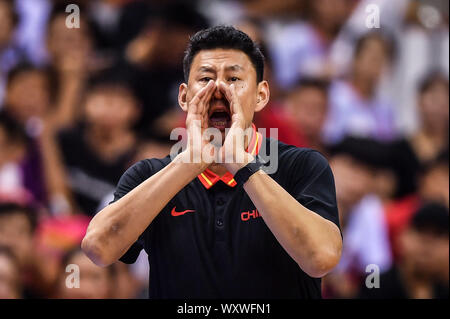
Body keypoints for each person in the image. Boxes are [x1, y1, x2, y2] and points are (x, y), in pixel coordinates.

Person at [82, 25, 342, 299]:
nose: (219, 90)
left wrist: (240, 164)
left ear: (261, 95)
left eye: (233, 79)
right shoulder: (149, 175)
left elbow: (321, 259)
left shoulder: (301, 166)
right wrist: (190, 163)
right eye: (205, 79)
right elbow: (98, 249)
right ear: (184, 97)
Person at [359, 202, 449, 299]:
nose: (427, 243)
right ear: (401, 237)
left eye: (438, 234)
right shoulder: (375, 285)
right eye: (420, 230)